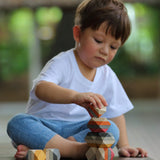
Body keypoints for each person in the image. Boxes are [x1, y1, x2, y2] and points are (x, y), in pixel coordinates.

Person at [7, 0, 148, 159]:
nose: (105, 51)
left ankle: (53, 150)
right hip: (45, 127)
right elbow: (42, 88)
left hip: (78, 131)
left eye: (113, 47)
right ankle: (74, 151)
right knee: (18, 123)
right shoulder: (62, 62)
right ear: (78, 34)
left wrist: (125, 146)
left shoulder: (107, 74)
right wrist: (75, 97)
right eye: (99, 41)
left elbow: (116, 113)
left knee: (112, 128)